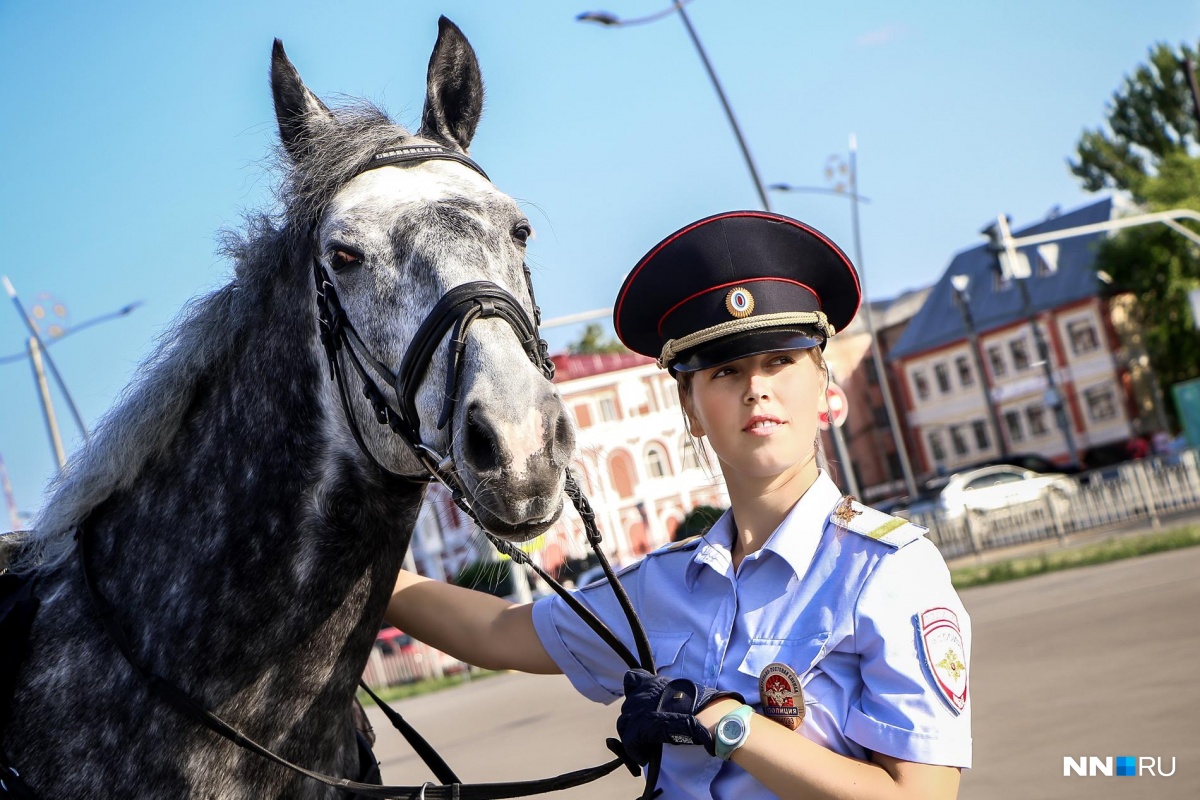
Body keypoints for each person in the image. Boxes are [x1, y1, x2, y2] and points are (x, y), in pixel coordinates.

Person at [388, 211, 972, 799]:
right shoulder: (662, 587)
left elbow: (921, 796)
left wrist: (730, 725)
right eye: (725, 371)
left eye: (780, 361)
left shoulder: (887, 572)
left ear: (823, 383)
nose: (756, 388)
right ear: (690, 408)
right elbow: (498, 633)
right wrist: (347, 575)